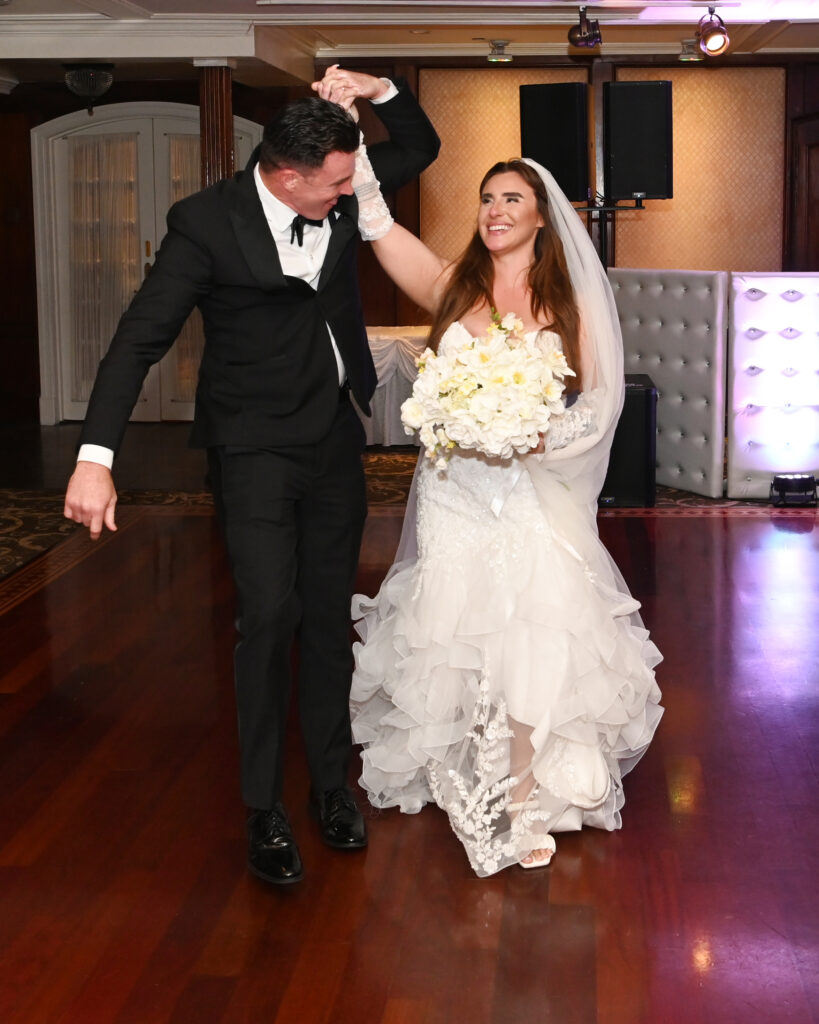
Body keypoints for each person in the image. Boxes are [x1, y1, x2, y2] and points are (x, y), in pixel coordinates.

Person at [63, 68, 440, 885]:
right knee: (267, 617)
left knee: (326, 619)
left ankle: (331, 786)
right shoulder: (205, 223)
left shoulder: (339, 185)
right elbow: (137, 340)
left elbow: (419, 147)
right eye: (334, 184)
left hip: (334, 437)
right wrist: (96, 458)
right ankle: (263, 806)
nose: (348, 194)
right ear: (286, 176)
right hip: (252, 448)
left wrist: (378, 89)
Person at [339, 131, 663, 875]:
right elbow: (379, 227)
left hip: (526, 491)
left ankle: (519, 794)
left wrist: (541, 436)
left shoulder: (567, 301)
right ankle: (459, 764)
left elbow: (599, 401)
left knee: (528, 632)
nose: (495, 210)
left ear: (543, 215)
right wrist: (357, 151)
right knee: (453, 624)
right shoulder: (454, 284)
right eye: (486, 198)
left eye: (511, 198)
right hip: (453, 490)